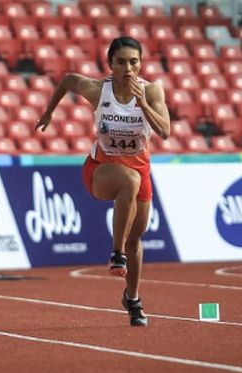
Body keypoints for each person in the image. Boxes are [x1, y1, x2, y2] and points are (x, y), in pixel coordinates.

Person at [35, 36, 171, 327]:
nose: (128, 68)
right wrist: (49, 111)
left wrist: (143, 104)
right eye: (121, 62)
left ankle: (132, 298)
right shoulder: (99, 91)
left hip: (140, 168)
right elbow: (69, 80)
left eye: (134, 62)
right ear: (110, 64)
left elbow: (165, 131)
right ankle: (116, 254)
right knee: (128, 180)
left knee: (137, 237)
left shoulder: (153, 91)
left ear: (141, 64)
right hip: (101, 169)